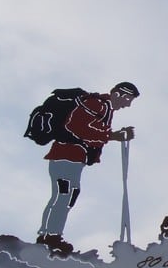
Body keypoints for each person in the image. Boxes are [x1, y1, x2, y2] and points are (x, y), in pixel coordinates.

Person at [37, 82, 139, 254]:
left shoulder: (105, 108)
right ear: (117, 94)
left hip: (75, 159)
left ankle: (52, 235)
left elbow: (92, 129)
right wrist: (112, 136)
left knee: (69, 195)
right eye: (127, 99)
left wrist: (114, 135)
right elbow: (75, 126)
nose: (128, 104)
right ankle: (48, 236)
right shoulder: (96, 104)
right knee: (63, 194)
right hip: (65, 156)